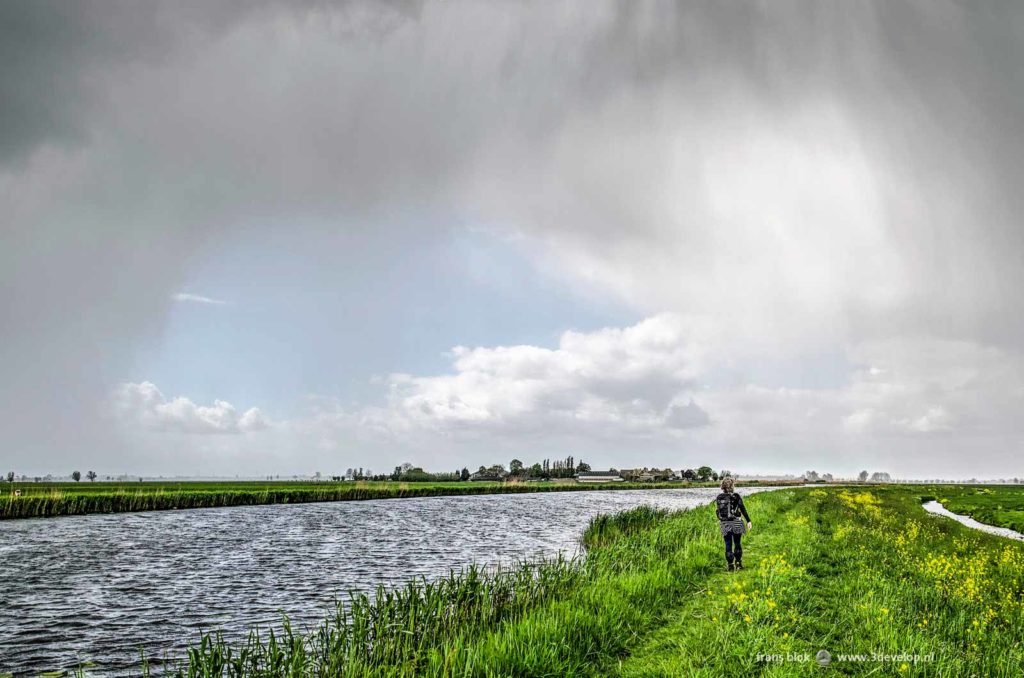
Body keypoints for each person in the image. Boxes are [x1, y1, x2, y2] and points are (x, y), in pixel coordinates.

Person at [715, 476, 751, 571]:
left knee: (728, 544)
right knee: (737, 542)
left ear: (722, 486)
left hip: (725, 522)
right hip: (736, 521)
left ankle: (730, 565)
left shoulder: (719, 497)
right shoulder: (736, 496)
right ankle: (738, 564)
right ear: (732, 485)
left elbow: (718, 511)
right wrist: (748, 521)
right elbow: (742, 509)